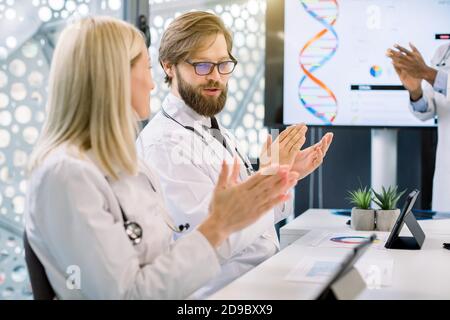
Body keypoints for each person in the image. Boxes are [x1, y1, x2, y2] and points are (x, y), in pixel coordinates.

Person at [24, 16, 299, 300]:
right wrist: (220, 225)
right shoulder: (66, 177)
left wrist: (265, 188)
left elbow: (166, 258)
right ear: (113, 78)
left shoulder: (127, 166)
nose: (153, 85)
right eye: (145, 68)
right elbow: (127, 295)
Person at [136, 11, 333, 298]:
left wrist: (286, 175)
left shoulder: (213, 127)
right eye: (202, 65)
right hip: (222, 294)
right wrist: (269, 178)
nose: (215, 77)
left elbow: (252, 214)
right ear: (169, 67)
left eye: (223, 64)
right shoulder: (164, 145)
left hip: (258, 280)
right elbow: (210, 238)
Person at [387, 42, 450, 211]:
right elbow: (428, 109)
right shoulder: (443, 52)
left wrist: (427, 73)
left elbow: (440, 83)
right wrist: (415, 91)